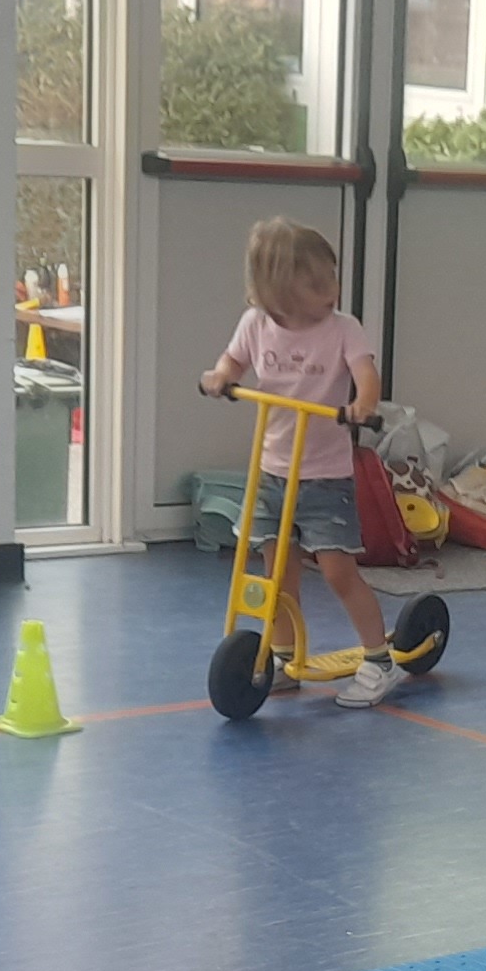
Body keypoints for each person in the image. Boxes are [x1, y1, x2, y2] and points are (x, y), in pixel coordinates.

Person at [198, 217, 397, 707]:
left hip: (325, 478)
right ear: (278, 291)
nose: (332, 291)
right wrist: (221, 376)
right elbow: (232, 361)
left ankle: (379, 659)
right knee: (276, 573)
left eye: (332, 279)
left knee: (337, 571)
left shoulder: (343, 329)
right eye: (317, 285)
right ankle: (283, 657)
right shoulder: (255, 325)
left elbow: (366, 374)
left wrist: (363, 404)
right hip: (272, 471)